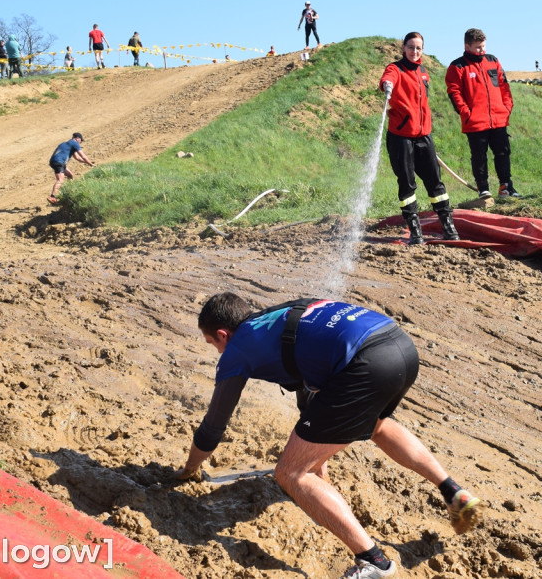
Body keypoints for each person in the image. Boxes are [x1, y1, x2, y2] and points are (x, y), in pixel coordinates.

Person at [177, 293, 484, 579]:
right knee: (376, 425)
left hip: (365, 364)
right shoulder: (276, 318)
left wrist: (189, 469)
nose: (217, 351)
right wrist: (313, 454)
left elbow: (214, 425)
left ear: (222, 334)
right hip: (399, 345)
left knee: (289, 473)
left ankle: (375, 562)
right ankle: (453, 492)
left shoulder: (237, 350)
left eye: (212, 343)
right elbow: (309, 398)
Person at [380, 32, 459, 245]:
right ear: (403, 48)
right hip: (401, 138)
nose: (415, 52)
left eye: (419, 48)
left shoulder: (423, 72)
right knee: (407, 184)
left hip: (424, 136)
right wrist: (387, 86)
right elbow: (388, 78)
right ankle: (415, 231)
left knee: (436, 183)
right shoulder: (395, 68)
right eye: (411, 47)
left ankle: (448, 226)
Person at [444, 28, 518, 200]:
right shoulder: (457, 66)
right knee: (479, 155)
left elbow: (504, 86)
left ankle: (506, 187)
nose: (481, 50)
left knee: (503, 152)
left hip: (499, 118)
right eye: (477, 47)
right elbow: (454, 93)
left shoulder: (493, 61)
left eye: (483, 46)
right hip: (475, 121)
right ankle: (483, 188)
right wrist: (466, 113)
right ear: (467, 45)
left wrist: (506, 108)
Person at [47, 132, 94, 205]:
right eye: (81, 140)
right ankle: (52, 197)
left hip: (55, 162)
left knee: (70, 175)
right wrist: (90, 163)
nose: (80, 142)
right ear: (77, 138)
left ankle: (69, 192)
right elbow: (83, 156)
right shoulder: (74, 143)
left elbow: (77, 158)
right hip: (59, 162)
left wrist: (86, 163)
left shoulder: (66, 144)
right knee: (60, 180)